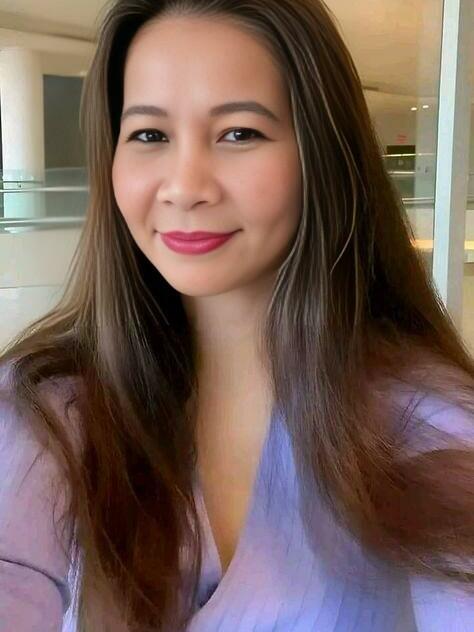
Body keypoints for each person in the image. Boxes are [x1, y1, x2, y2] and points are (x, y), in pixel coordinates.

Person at [1, 0, 474, 630]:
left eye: (239, 133)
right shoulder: (44, 407)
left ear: (322, 154)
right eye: (149, 135)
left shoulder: (422, 418)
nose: (185, 185)